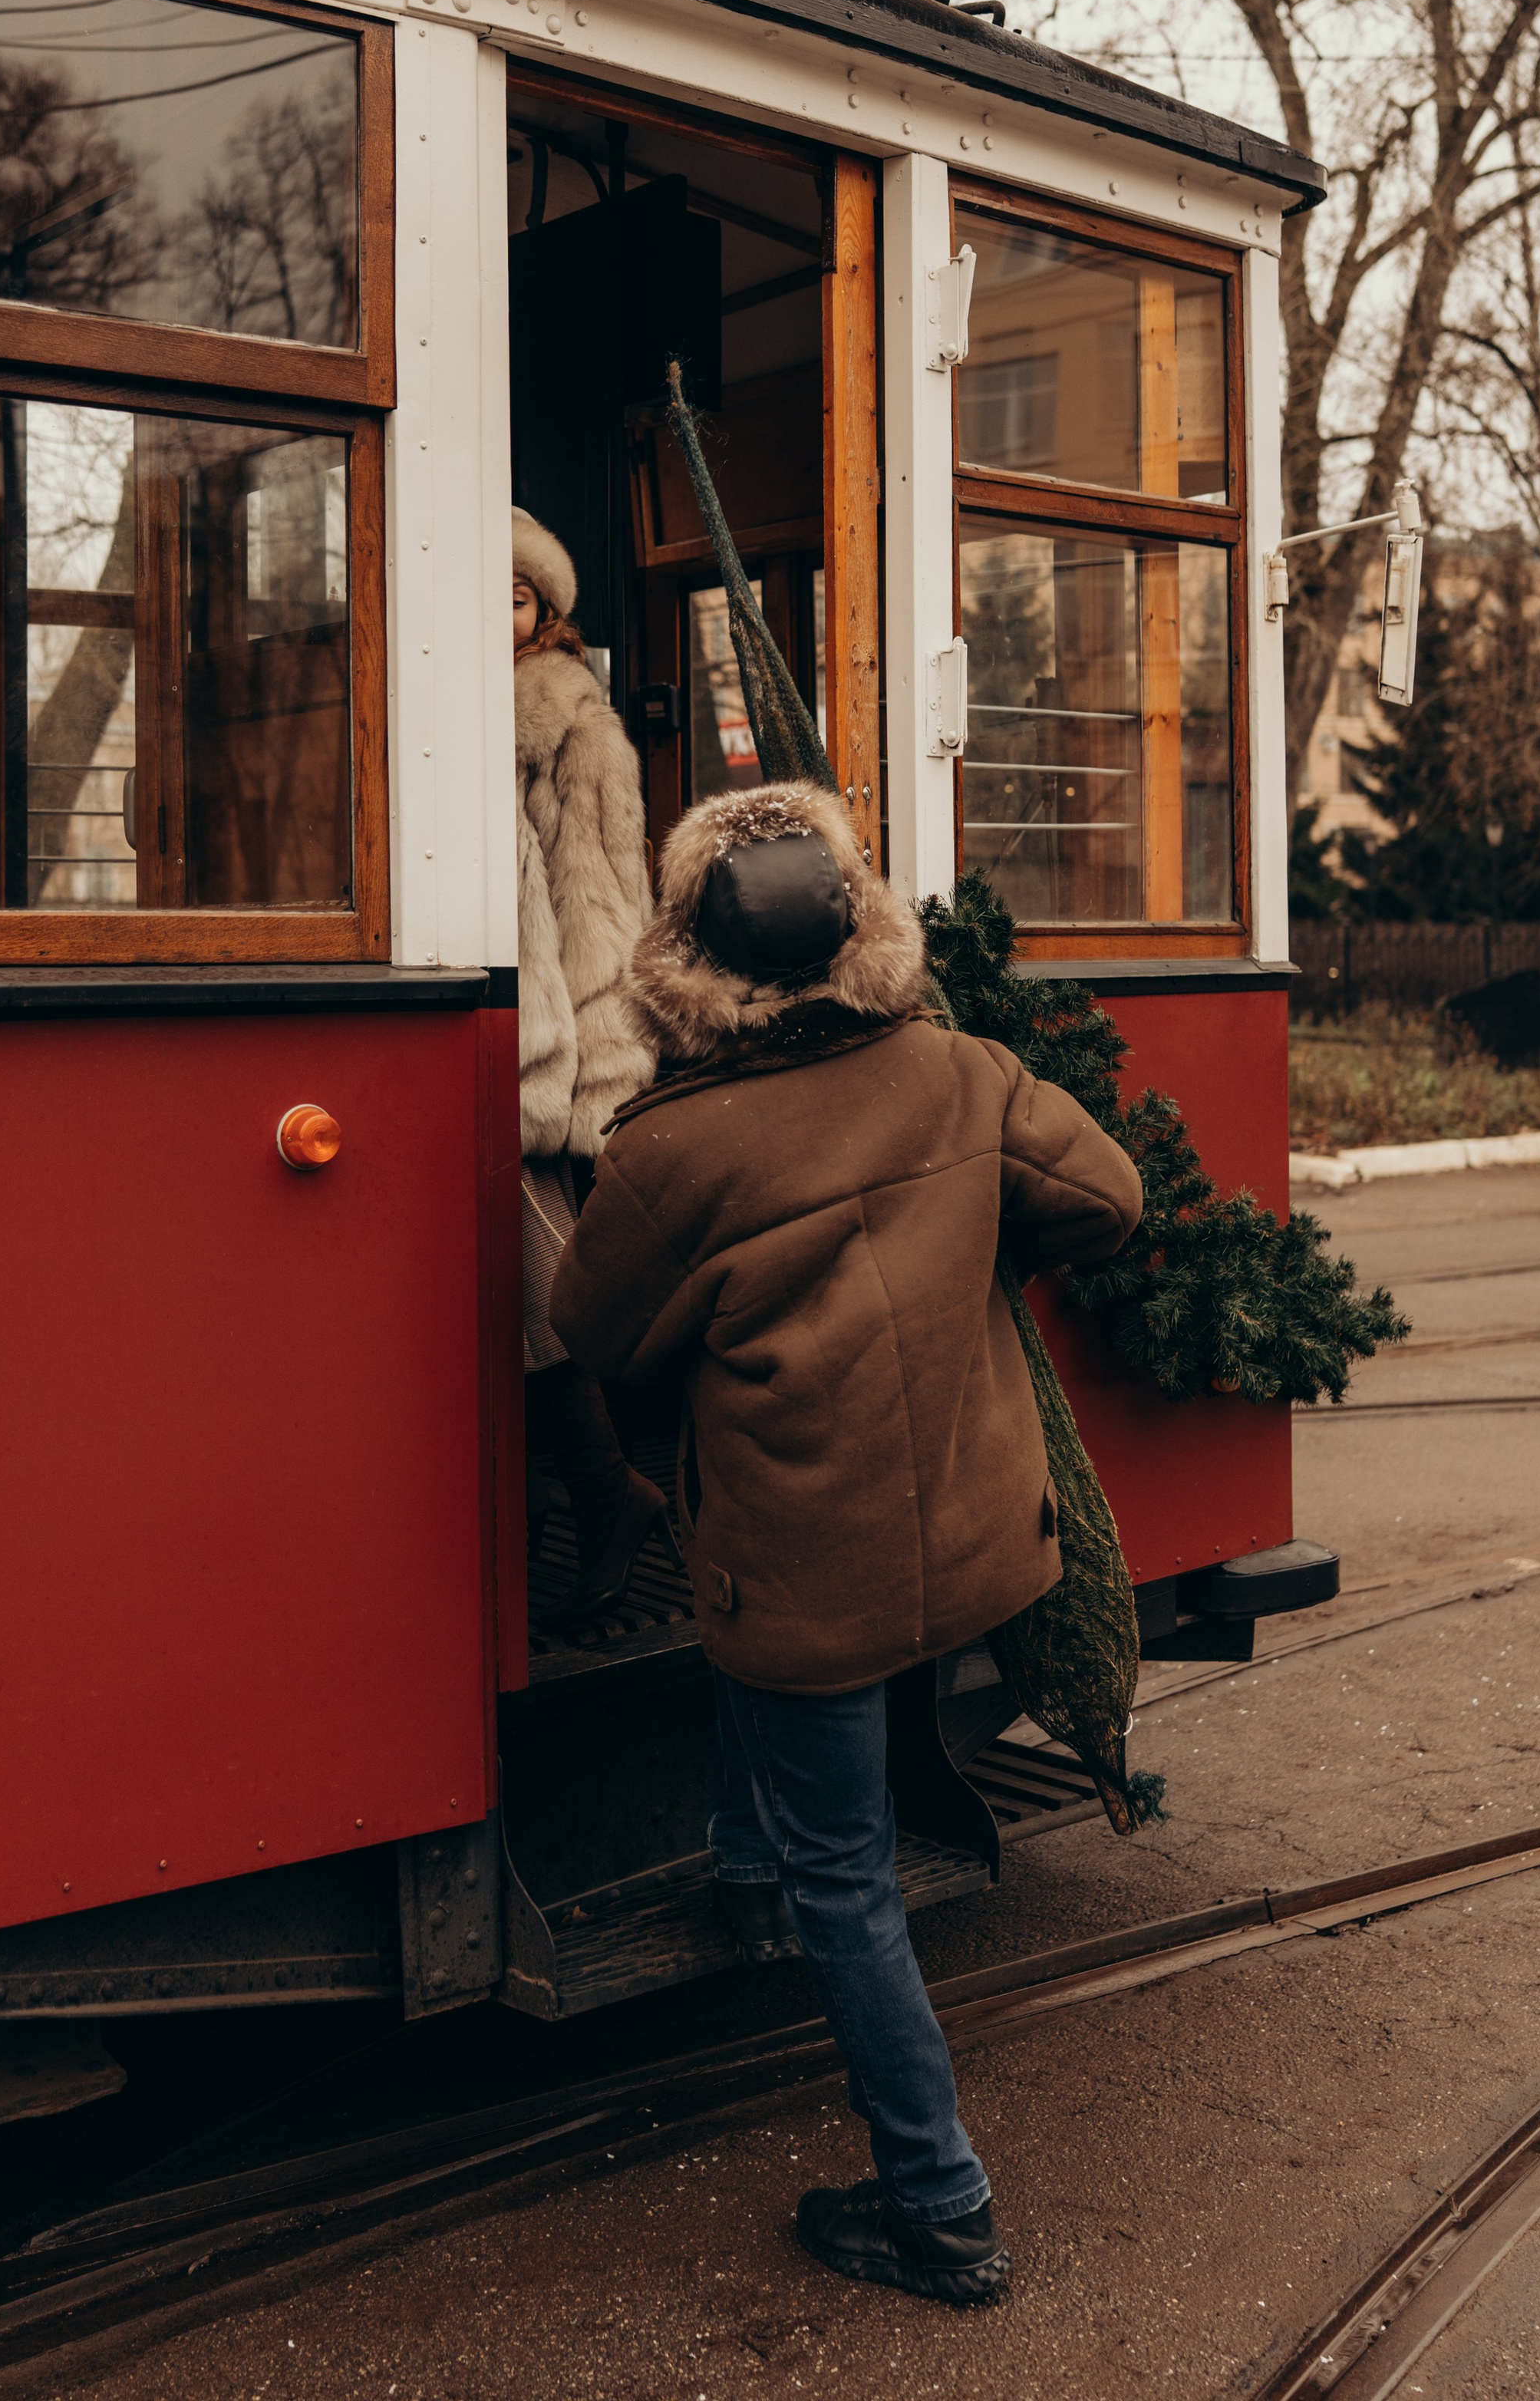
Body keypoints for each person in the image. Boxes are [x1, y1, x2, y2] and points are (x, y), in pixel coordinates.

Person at [549, 779, 1143, 2305]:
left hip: (803, 1572)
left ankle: (937, 2205)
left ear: (684, 957)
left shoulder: (671, 1151)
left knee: (848, 1880)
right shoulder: (957, 1073)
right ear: (860, 932)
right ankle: (744, 1865)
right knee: (812, 1727)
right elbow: (1108, 1198)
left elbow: (591, 1334)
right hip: (962, 1536)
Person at [511, 510, 667, 1618]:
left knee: (539, 1297)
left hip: (547, 1055)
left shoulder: (580, 732)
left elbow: (611, 909)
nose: (496, 621)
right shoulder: (433, 720)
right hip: (483, 1039)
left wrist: (600, 1082)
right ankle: (582, 1504)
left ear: (546, 613)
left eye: (514, 600)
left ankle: (605, 1496)